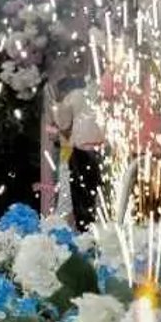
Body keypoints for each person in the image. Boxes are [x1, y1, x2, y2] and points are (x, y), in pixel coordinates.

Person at [51, 76, 106, 229]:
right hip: (102, 149)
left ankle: (83, 228)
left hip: (78, 149)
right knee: (100, 194)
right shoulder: (105, 93)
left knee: (79, 194)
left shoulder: (74, 96)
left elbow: (63, 122)